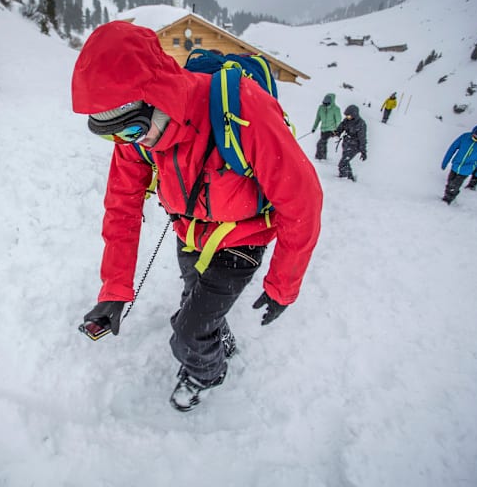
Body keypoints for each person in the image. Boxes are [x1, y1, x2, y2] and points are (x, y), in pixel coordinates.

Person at [71, 21, 323, 411]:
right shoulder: (137, 141)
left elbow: (302, 200)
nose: (128, 143)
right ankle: (218, 340)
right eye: (112, 136)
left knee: (187, 332)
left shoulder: (243, 108)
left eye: (133, 129)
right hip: (188, 231)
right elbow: (121, 209)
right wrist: (114, 290)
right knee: (196, 300)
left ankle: (208, 373)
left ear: (157, 95)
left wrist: (282, 286)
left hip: (243, 236)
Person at [440, 123, 477, 204]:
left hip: (468, 168)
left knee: (454, 185)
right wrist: (445, 162)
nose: (476, 138)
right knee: (450, 182)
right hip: (456, 164)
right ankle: (451, 195)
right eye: (475, 136)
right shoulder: (465, 137)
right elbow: (452, 148)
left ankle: (447, 199)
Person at [334, 105, 367, 181]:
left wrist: (363, 151)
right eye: (347, 116)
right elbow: (341, 127)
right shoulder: (347, 120)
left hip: (355, 146)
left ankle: (344, 179)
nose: (347, 117)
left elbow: (362, 139)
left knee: (343, 163)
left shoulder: (361, 124)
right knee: (346, 161)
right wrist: (336, 132)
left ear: (354, 114)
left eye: (349, 116)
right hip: (346, 144)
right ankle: (350, 177)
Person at [311, 94, 341, 160]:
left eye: (327, 103)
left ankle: (318, 158)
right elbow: (318, 119)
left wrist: (337, 130)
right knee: (323, 143)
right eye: (324, 103)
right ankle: (323, 158)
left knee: (320, 143)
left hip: (331, 130)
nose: (326, 105)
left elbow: (338, 121)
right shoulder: (321, 108)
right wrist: (314, 128)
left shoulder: (336, 109)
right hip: (323, 129)